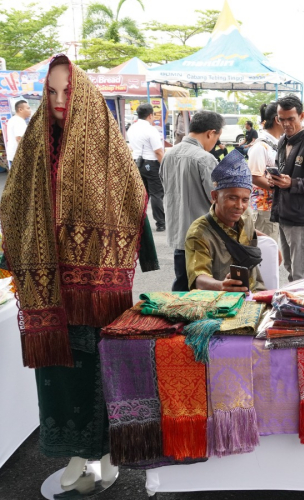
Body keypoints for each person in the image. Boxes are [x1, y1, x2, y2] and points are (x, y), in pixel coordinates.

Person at [0, 54, 158, 488]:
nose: (58, 100)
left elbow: (132, 194)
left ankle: (107, 454)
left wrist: (143, 258)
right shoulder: (34, 144)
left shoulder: (106, 141)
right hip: (46, 292)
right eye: (50, 92)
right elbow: (14, 201)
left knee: (100, 372)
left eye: (66, 91)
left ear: (82, 92)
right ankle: (71, 455)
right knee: (55, 378)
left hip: (97, 288)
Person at [184, 150, 265, 292]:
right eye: (232, 198)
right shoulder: (199, 233)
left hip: (255, 294)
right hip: (220, 302)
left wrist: (270, 242)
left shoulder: (245, 217)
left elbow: (250, 230)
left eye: (245, 200)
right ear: (214, 196)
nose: (239, 206)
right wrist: (221, 286)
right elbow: (199, 278)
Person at [160, 110, 224, 291]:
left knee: (182, 284)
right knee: (203, 289)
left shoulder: (169, 155)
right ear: (211, 133)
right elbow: (217, 199)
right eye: (216, 138)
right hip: (203, 237)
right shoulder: (204, 158)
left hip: (179, 234)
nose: (215, 143)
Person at [268, 95, 304, 282]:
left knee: (300, 271)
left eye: (290, 119)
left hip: (301, 215)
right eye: (281, 119)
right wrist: (274, 178)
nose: (285, 124)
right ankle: (295, 303)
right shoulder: (282, 141)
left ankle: (302, 306)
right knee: (289, 267)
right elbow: (282, 169)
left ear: (301, 116)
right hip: (283, 210)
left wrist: (292, 183)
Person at [128, 102, 166, 231]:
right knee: (156, 194)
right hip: (151, 163)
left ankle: (138, 221)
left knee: (142, 194)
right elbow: (158, 151)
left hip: (136, 163)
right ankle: (160, 223)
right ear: (150, 115)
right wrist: (165, 167)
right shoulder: (150, 129)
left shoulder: (132, 128)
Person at [248, 102, 282, 241]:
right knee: (264, 250)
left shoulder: (277, 142)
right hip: (263, 208)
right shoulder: (261, 146)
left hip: (272, 206)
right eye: (286, 118)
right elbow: (255, 177)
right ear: (277, 119)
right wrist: (282, 189)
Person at [4, 99, 31, 171]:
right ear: (20, 109)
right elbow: (19, 139)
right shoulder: (18, 121)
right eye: (28, 108)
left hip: (14, 155)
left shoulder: (14, 119)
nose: (30, 110)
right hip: (19, 156)